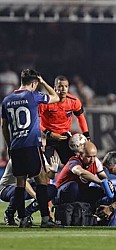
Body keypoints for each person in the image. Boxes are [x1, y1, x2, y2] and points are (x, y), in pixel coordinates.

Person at [1, 68, 61, 228]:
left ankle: (22, 219)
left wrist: (9, 145)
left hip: (16, 147)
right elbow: (56, 98)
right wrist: (43, 82)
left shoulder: (6, 100)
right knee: (41, 180)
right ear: (34, 83)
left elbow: (4, 126)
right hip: (31, 145)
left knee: (20, 183)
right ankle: (46, 219)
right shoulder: (33, 96)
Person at [39, 75, 91, 165]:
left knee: (72, 163)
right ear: (55, 88)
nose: (63, 89)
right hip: (47, 137)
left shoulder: (74, 101)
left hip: (64, 136)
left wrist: (86, 135)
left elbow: (81, 118)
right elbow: (36, 121)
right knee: (44, 166)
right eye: (60, 86)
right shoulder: (45, 102)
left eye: (66, 86)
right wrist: (48, 133)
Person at [1, 156, 59, 225]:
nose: (43, 145)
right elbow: (22, 181)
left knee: (51, 189)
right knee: (19, 191)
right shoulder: (19, 155)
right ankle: (9, 213)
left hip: (29, 185)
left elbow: (47, 178)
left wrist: (53, 171)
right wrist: (38, 198)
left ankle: (27, 213)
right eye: (42, 144)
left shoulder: (40, 156)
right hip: (7, 188)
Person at [53, 141, 109, 207]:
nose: (92, 160)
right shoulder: (74, 161)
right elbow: (81, 172)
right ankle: (69, 212)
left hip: (79, 193)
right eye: (89, 157)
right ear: (81, 154)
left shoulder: (96, 162)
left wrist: (108, 185)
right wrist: (100, 182)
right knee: (73, 186)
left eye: (94, 156)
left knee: (101, 191)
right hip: (59, 194)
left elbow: (104, 178)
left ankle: (91, 214)